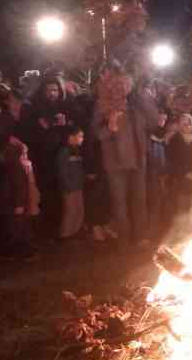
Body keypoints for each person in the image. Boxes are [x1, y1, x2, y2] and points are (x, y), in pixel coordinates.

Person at [93, 73, 159, 251]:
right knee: (119, 202)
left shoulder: (137, 105)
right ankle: (124, 239)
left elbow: (154, 122)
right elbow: (96, 134)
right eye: (122, 84)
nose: (125, 87)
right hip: (115, 162)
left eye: (129, 84)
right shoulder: (103, 105)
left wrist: (145, 98)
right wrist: (110, 128)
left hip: (138, 160)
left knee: (139, 200)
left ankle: (141, 237)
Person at [0, 140, 38, 260]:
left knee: (17, 229)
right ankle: (21, 251)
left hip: (14, 204)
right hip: (14, 203)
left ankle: (20, 252)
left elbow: (18, 186)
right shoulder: (14, 166)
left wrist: (18, 204)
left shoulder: (13, 167)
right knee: (18, 228)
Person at [56, 126, 86, 243]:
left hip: (78, 186)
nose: (82, 139)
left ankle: (75, 232)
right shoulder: (64, 151)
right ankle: (65, 235)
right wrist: (67, 185)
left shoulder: (76, 151)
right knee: (71, 211)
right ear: (71, 137)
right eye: (80, 136)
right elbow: (62, 170)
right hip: (69, 188)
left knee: (79, 210)